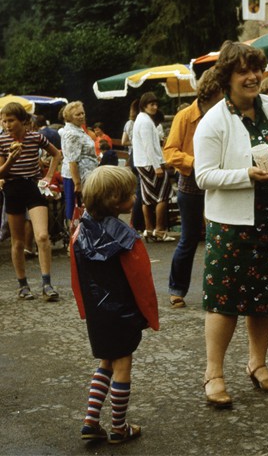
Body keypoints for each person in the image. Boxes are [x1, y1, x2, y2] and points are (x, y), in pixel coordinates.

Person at [193, 41, 268, 408]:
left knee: (265, 298)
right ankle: (214, 372)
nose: (253, 77)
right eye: (243, 71)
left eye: (257, 69)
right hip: (232, 224)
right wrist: (247, 175)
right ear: (227, 77)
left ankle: (257, 364)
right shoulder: (214, 121)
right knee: (224, 302)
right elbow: (203, 176)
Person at [70, 165, 159, 444]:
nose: (133, 197)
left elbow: (77, 279)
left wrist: (86, 309)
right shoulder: (128, 240)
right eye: (129, 194)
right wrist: (148, 314)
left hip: (98, 313)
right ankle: (119, 427)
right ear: (116, 202)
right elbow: (141, 281)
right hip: (123, 312)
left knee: (105, 361)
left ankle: (91, 420)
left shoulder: (78, 235)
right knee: (122, 365)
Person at [163, 69, 223, 309]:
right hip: (191, 184)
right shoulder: (185, 116)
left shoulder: (224, 115)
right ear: (213, 91)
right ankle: (176, 290)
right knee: (188, 239)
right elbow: (169, 152)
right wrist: (195, 162)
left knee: (217, 238)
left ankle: (217, 289)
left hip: (218, 183)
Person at [0, 102, 63, 301]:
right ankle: (23, 285)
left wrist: (49, 177)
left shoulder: (36, 137)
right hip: (13, 188)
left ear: (23, 121)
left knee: (42, 236)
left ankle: (46, 283)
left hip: (33, 187)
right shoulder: (1, 141)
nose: (7, 125)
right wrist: (11, 158)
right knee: (17, 241)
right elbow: (1, 172)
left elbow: (56, 154)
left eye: (11, 121)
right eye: (4, 121)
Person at [132, 92, 175, 242]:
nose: (155, 107)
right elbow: (149, 146)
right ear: (144, 106)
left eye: (156, 104)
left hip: (143, 163)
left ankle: (149, 229)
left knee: (147, 198)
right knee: (163, 196)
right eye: (152, 104)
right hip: (150, 163)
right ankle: (160, 230)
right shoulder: (145, 122)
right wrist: (158, 166)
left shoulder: (141, 119)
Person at [59, 101, 99, 226]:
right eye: (77, 115)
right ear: (69, 117)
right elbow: (72, 160)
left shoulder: (78, 129)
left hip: (86, 174)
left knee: (85, 208)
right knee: (76, 209)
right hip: (77, 178)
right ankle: (75, 237)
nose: (81, 116)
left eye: (83, 113)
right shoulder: (72, 134)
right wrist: (77, 184)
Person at [121, 99, 144, 231]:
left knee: (136, 188)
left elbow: (124, 141)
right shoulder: (144, 122)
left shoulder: (129, 123)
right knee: (141, 189)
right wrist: (138, 142)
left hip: (132, 158)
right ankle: (138, 222)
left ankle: (134, 221)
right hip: (141, 157)